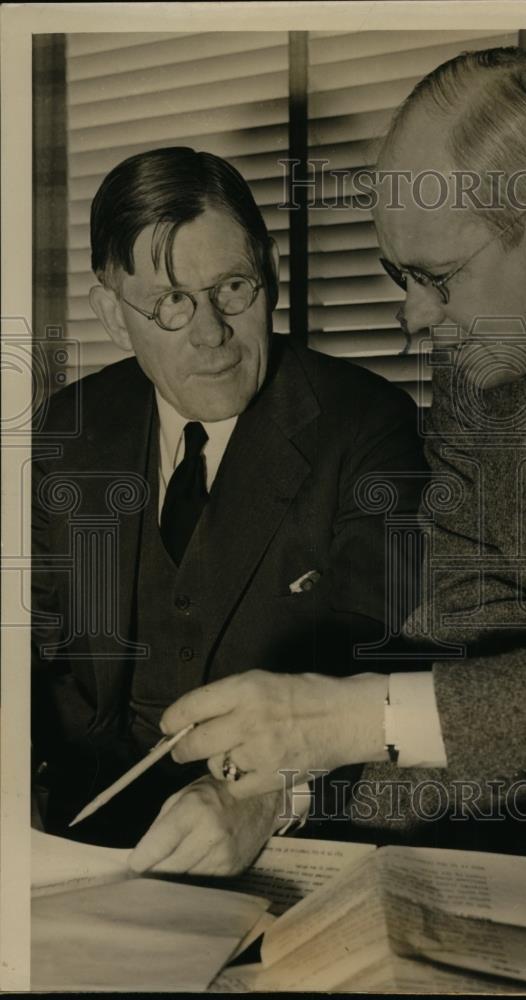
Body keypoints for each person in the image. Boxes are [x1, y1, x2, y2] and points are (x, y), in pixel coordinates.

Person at [159, 49, 526, 980]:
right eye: (394, 275)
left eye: (437, 279)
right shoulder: (481, 372)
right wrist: (286, 786)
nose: (414, 319)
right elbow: (464, 631)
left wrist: (345, 721)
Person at [31, 146, 427, 875]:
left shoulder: (368, 427)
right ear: (114, 318)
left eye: (233, 288)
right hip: (78, 856)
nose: (211, 333)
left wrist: (272, 793)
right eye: (171, 303)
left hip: (282, 847)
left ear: (270, 277)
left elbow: (388, 679)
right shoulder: (65, 431)